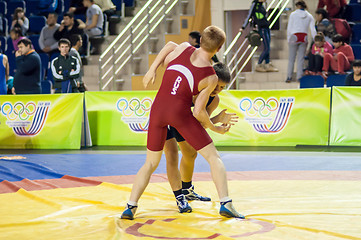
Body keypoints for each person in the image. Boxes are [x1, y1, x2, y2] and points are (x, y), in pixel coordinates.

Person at [121, 26, 244, 220]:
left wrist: (151, 70)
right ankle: (225, 203)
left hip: (158, 110)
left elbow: (169, 45)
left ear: (200, 40)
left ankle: (130, 206)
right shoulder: (210, 76)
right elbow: (198, 112)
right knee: (213, 157)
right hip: (179, 113)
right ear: (219, 49)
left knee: (151, 163)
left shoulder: (183, 47)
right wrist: (216, 128)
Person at [164, 62, 238, 203]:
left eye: (222, 87)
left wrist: (216, 119)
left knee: (190, 154)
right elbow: (193, 118)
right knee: (169, 157)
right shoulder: (196, 89)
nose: (217, 89)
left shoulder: (214, 100)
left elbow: (199, 124)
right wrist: (216, 122)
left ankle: (186, 190)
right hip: (169, 115)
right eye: (216, 85)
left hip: (184, 121)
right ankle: (180, 194)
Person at [240, 0, 278, 72]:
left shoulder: (262, 5)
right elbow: (249, 15)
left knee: (268, 47)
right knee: (266, 48)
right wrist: (243, 27)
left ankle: (267, 64)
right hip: (262, 28)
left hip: (266, 27)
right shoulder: (254, 4)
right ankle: (259, 64)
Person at [286, 0, 316, 82]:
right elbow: (313, 30)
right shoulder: (309, 16)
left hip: (294, 36)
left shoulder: (293, 14)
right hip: (304, 37)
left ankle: (289, 76)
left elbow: (289, 27)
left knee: (291, 58)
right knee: (301, 59)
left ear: (298, 6)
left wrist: (288, 38)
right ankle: (299, 77)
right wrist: (315, 40)